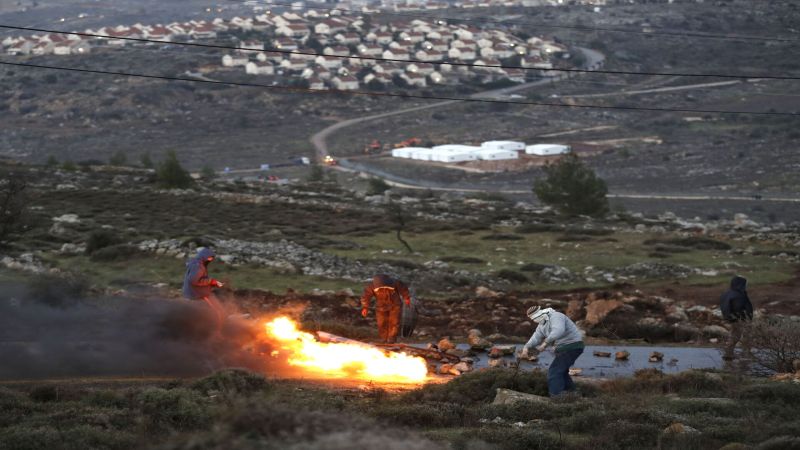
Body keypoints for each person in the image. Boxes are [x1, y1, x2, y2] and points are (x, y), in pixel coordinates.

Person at [520, 306, 584, 397]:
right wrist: (526, 347)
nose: (534, 320)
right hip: (561, 348)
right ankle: (573, 394)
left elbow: (558, 330)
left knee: (554, 371)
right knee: (562, 372)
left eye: (535, 318)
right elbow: (536, 337)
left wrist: (545, 343)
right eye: (532, 319)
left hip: (572, 345)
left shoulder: (556, 316)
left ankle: (556, 396)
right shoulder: (541, 325)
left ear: (540, 314)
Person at [359, 274, 412, 344]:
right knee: (382, 323)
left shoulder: (395, 282)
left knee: (394, 323)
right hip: (381, 307)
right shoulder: (371, 286)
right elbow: (365, 296)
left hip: (395, 305)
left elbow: (404, 289)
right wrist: (365, 307)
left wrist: (407, 298)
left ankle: (391, 340)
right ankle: (383, 339)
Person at [182, 247, 226, 331]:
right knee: (218, 312)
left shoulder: (196, 263)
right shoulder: (198, 266)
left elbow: (198, 278)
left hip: (195, 292)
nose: (210, 260)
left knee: (211, 312)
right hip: (197, 293)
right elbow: (194, 281)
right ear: (203, 257)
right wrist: (211, 281)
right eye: (209, 258)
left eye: (211, 258)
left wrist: (214, 283)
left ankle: (214, 330)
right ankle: (217, 333)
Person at [720, 275, 754, 360]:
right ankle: (746, 354)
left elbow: (725, 306)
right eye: (745, 284)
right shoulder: (740, 294)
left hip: (730, 318)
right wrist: (748, 318)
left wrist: (728, 317)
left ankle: (728, 353)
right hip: (740, 318)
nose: (746, 286)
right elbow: (745, 307)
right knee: (746, 336)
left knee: (734, 335)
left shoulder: (726, 293)